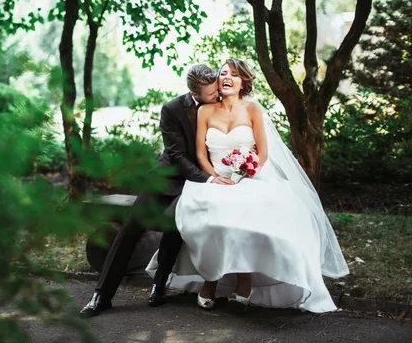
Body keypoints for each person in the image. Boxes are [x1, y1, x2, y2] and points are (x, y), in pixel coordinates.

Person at [146, 59, 349, 313]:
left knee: (248, 215)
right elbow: (200, 154)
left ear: (244, 82)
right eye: (223, 73)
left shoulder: (253, 110)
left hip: (249, 176)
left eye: (234, 74)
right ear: (217, 81)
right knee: (211, 217)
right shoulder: (205, 111)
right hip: (216, 176)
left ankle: (245, 278)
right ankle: (211, 280)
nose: (227, 77)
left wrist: (244, 173)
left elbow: (262, 153)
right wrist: (215, 177)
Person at [80, 64, 224, 317]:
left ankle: (160, 284)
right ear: (194, 93)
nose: (217, 95)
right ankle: (101, 295)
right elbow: (177, 155)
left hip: (197, 183)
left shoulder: (224, 103)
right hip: (168, 176)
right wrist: (208, 178)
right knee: (132, 226)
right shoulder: (172, 110)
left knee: (176, 222)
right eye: (211, 93)